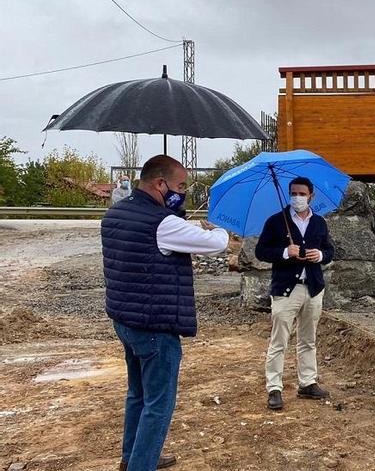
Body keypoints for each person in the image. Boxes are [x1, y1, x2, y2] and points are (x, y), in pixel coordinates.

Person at [102, 155, 229, 471]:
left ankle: (131, 458)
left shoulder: (116, 213)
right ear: (160, 184)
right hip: (155, 326)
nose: (183, 192)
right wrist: (220, 228)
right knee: (158, 405)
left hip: (125, 320)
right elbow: (215, 245)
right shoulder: (163, 223)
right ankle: (141, 464)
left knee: (138, 395)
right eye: (180, 186)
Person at [256, 176, 335, 410]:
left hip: (312, 287)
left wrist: (319, 255)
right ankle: (274, 388)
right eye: (293, 193)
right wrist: (284, 252)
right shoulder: (276, 222)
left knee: (308, 339)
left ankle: (308, 382)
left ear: (311, 196)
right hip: (285, 289)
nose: (297, 197)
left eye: (302, 194)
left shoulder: (319, 222)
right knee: (279, 339)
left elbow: (329, 251)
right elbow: (261, 251)